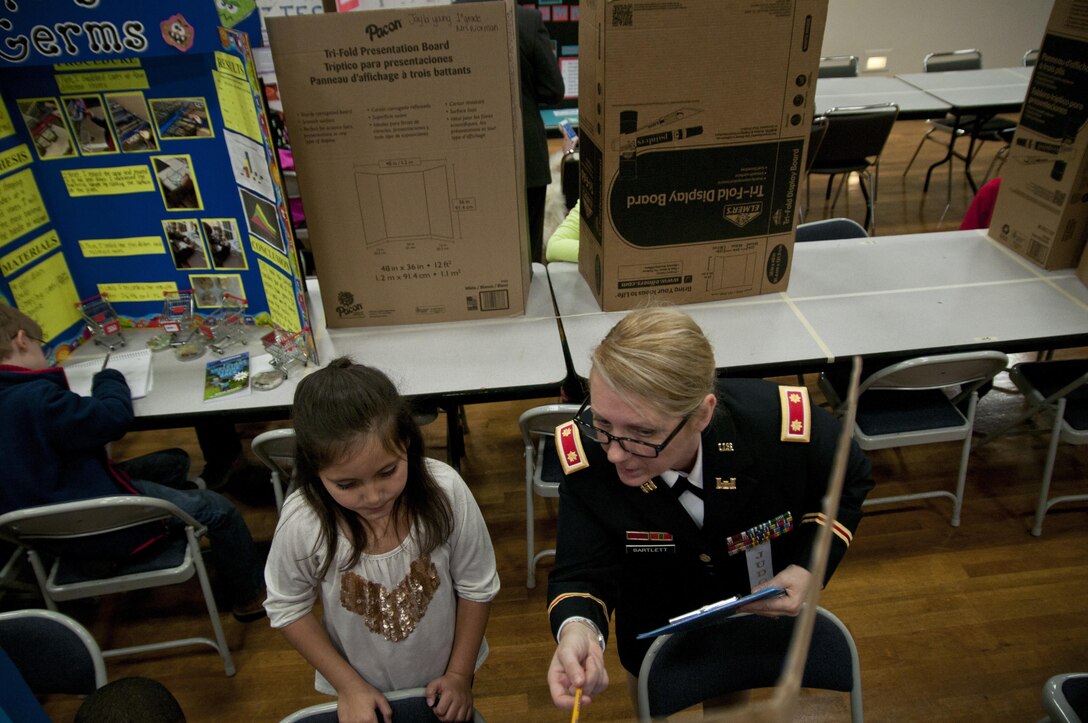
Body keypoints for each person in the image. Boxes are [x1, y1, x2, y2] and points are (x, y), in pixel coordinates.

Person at [545, 307, 874, 712]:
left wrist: (810, 566)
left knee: (730, 704)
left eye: (643, 433)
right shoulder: (587, 456)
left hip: (749, 611)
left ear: (702, 413)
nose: (614, 452)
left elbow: (850, 476)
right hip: (653, 618)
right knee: (653, 701)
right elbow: (581, 571)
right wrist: (579, 629)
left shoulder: (777, 424)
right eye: (602, 422)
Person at [264, 359, 499, 723]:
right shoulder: (304, 522)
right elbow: (286, 606)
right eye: (347, 484)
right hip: (358, 684)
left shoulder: (446, 491)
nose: (373, 496)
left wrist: (459, 674)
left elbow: (476, 586)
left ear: (407, 443)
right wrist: (348, 685)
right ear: (315, 471)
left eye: (388, 471)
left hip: (449, 672)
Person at [0, 304, 266, 622]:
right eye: (40, 347)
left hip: (46, 520)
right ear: (21, 340)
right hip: (98, 520)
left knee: (173, 462)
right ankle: (248, 595)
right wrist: (110, 378)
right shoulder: (35, 398)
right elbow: (113, 418)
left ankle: (179, 510)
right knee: (220, 512)